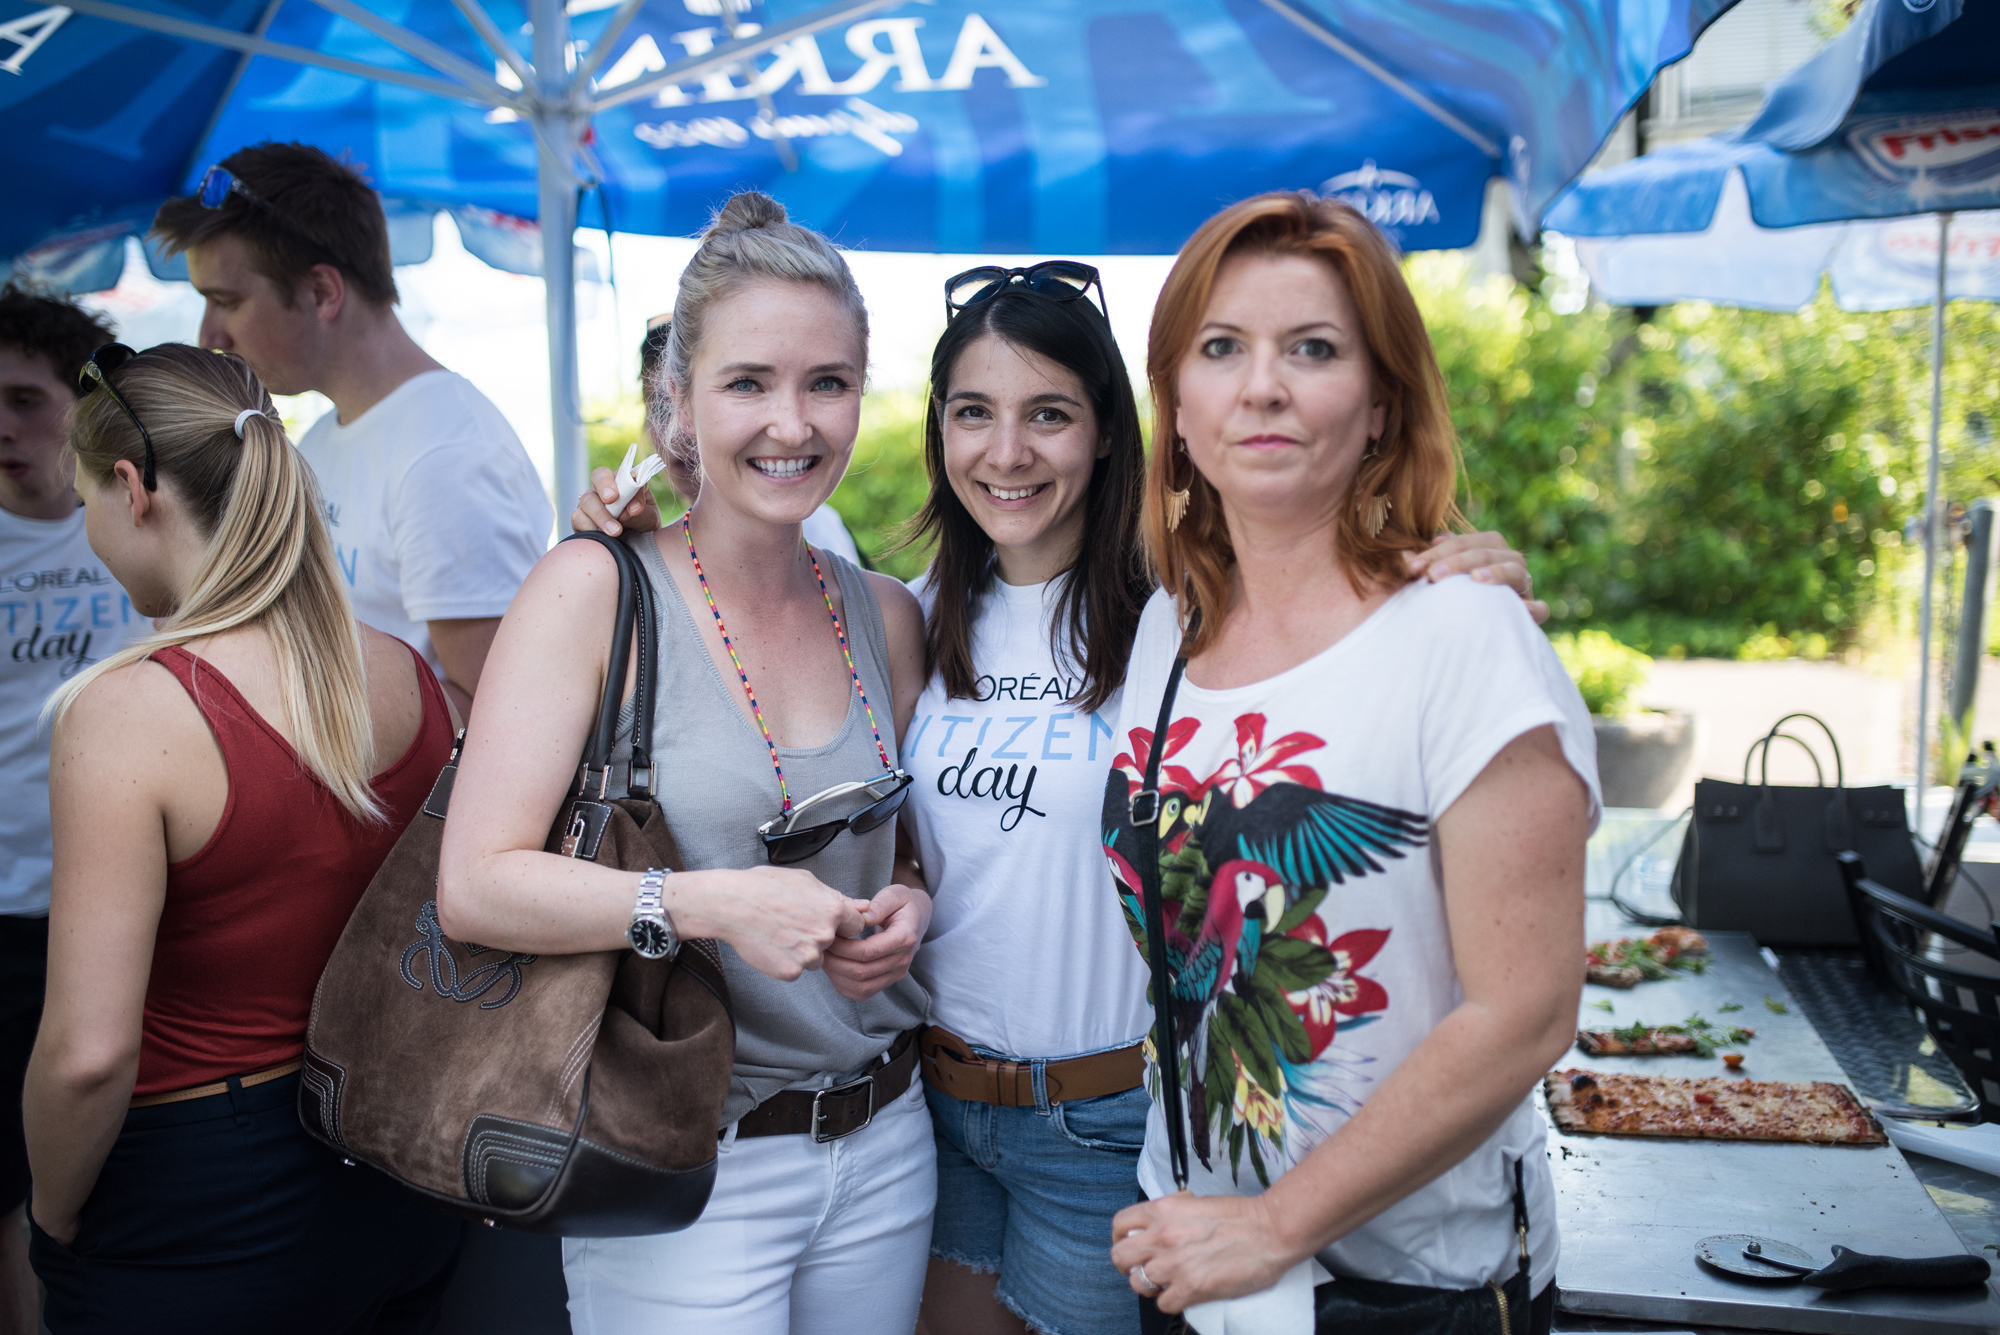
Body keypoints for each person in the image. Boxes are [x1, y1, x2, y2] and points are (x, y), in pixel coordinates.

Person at [582, 269, 1545, 1335]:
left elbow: (1332, 631)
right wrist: (634, 530)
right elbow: (892, 828)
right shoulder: (909, 618)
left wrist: (1451, 576)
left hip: (1106, 1124)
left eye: (1049, 414)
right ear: (939, 431)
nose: (1007, 452)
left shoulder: (1187, 618)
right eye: (973, 413)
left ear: (1106, 431)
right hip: (933, 1112)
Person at [440, 191, 936, 1335]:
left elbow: (905, 855)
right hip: (680, 1160)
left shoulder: (885, 615)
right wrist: (710, 903)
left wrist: (905, 905)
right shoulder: (592, 591)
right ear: (678, 399)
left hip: (885, 1138)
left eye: (827, 383)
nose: (791, 424)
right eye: (747, 383)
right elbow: (474, 886)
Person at [1101, 192, 1596, 1335]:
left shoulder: (1463, 635)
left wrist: (1273, 1225)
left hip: (1403, 1289)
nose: (1260, 387)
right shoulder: (1168, 628)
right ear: (1176, 409)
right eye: (1219, 349)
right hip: (1193, 1260)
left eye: (1312, 349)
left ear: (1379, 405)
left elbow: (1524, 1011)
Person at [23, 343, 462, 1331]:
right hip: (401, 1165)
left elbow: (88, 1054)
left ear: (132, 488)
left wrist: (50, 1213)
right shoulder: (405, 672)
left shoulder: (130, 714)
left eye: (86, 497)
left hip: (203, 1193)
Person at [153, 141, 552, 717]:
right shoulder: (325, 435)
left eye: (226, 301)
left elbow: (500, 715)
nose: (208, 335)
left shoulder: (445, 456)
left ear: (322, 292)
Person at [0, 284, 149, 1335]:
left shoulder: (142, 528)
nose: (3, 427)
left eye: (26, 400)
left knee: (113, 1165)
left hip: (134, 912)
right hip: (9, 914)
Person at [617, 315, 864, 565]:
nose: (680, 432)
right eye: (661, 409)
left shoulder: (808, 530)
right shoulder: (651, 546)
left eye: (744, 387)